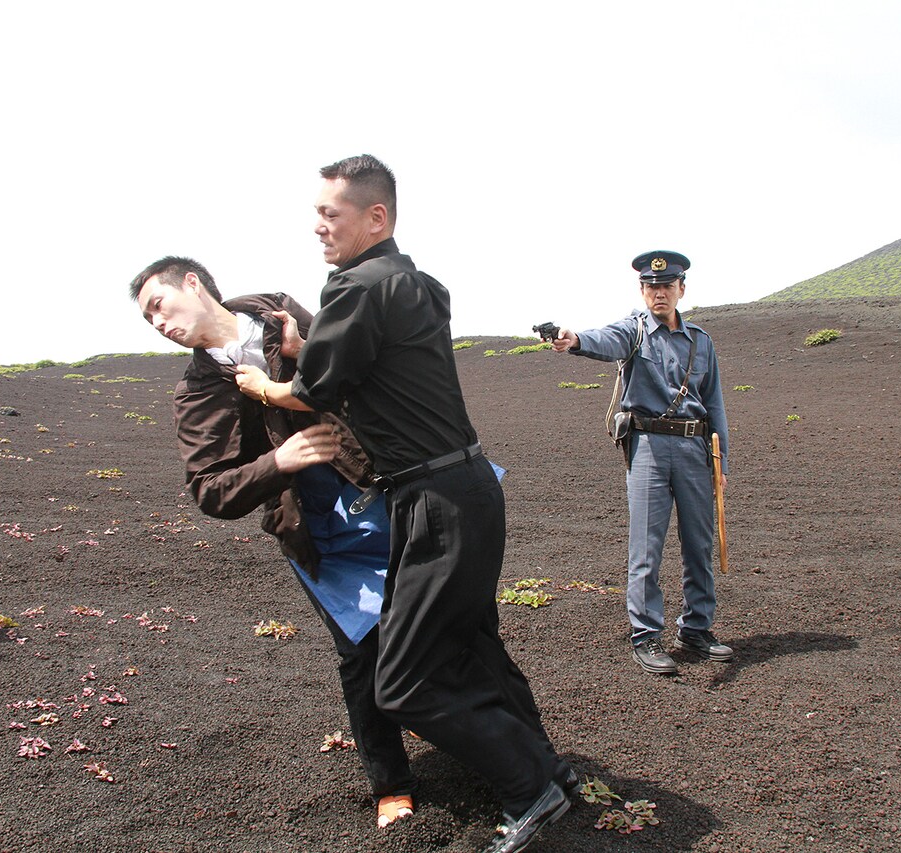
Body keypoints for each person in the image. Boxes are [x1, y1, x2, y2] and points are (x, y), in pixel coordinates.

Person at [233, 155, 574, 853]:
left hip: (433, 501)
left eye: (331, 214)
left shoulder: (355, 288)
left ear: (376, 217)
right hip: (471, 486)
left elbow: (313, 391)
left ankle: (530, 787)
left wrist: (262, 386)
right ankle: (550, 772)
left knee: (404, 678)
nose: (318, 227)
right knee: (472, 646)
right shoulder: (417, 282)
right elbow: (370, 359)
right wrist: (312, 343)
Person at [128, 256, 417, 830]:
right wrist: (277, 463)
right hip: (312, 528)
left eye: (158, 305)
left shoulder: (280, 312)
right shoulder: (194, 393)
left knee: (452, 615)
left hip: (386, 487)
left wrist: (302, 347)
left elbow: (356, 373)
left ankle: (508, 746)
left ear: (193, 283)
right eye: (146, 320)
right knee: (361, 651)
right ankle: (392, 783)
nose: (157, 322)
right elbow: (209, 490)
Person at [550, 250, 733, 676]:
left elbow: (716, 404)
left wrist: (722, 463)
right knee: (646, 548)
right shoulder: (633, 332)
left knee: (698, 545)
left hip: (694, 450)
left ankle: (696, 629)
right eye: (652, 288)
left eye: (667, 286)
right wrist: (574, 339)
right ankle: (646, 635)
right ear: (642, 291)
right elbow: (603, 340)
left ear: (681, 289)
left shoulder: (701, 342)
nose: (659, 294)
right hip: (648, 447)